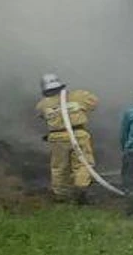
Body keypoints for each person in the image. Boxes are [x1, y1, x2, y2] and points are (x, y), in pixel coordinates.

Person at [34, 73, 98, 202]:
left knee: (59, 166)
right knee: (83, 163)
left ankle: (62, 195)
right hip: (78, 134)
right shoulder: (79, 96)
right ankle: (81, 188)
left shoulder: (42, 105)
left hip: (57, 137)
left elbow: (42, 117)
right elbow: (94, 103)